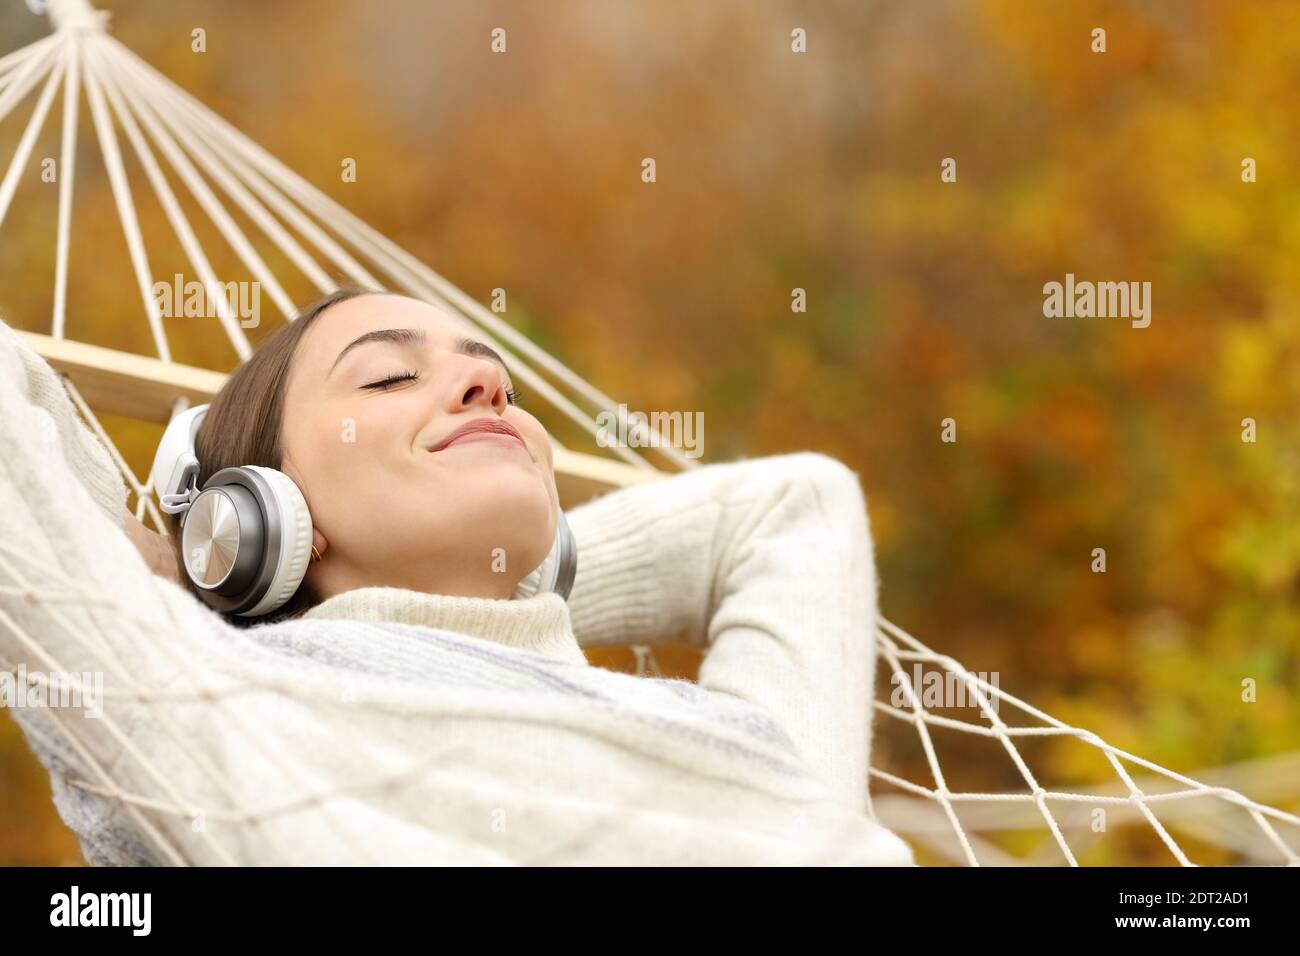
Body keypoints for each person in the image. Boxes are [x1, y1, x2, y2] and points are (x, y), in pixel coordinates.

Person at [0, 290, 914, 866]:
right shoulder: (217, 709)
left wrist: (510, 593)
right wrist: (180, 582)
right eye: (390, 377)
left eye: (501, 386)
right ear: (263, 511)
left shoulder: (751, 737)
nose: (485, 386)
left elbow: (798, 504)